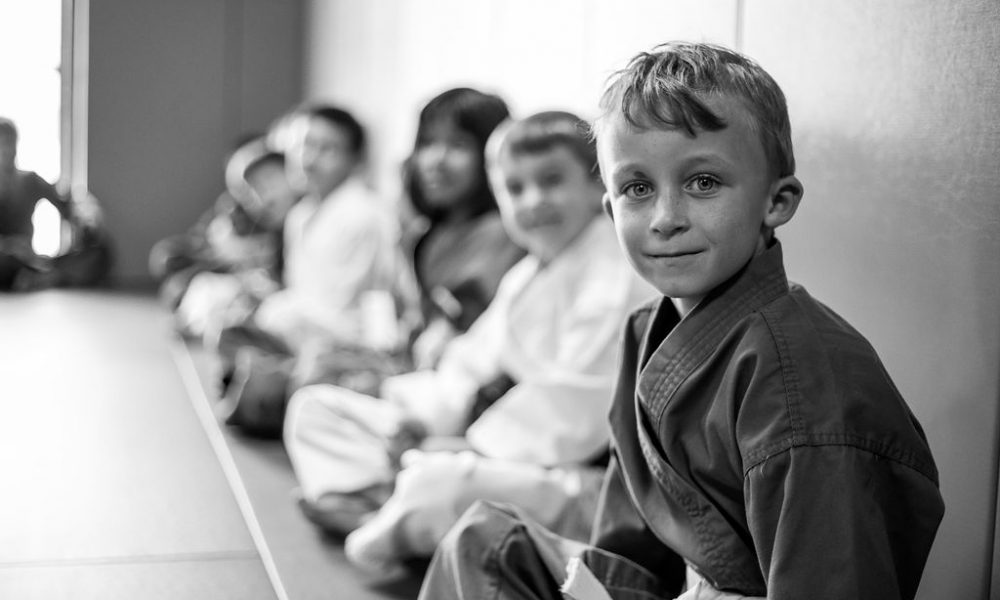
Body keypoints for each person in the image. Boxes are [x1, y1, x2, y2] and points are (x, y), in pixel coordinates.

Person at [417, 42, 945, 600]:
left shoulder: (808, 382)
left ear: (777, 201)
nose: (666, 220)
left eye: (703, 183)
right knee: (486, 543)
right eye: (637, 189)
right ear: (610, 209)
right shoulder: (647, 329)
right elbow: (631, 549)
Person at [283, 110, 655, 579]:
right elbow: (467, 366)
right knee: (315, 408)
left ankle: (377, 517)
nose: (534, 200)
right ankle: (399, 513)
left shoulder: (614, 276)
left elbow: (571, 415)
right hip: (482, 446)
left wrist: (466, 448)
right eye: (515, 188)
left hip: (580, 481)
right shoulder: (530, 272)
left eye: (552, 180)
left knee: (440, 483)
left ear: (596, 186)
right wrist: (414, 417)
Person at [214, 104, 409, 437]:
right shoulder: (301, 214)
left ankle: (277, 390)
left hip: (340, 346)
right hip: (300, 338)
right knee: (227, 327)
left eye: (327, 148)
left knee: (291, 379)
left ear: (354, 159)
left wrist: (281, 312)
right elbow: (300, 292)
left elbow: (346, 315)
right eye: (304, 145)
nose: (310, 158)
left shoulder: (363, 214)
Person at [401, 87, 526, 369]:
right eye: (427, 143)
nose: (437, 160)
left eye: (458, 145)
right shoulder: (424, 237)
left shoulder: (510, 235)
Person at [148, 135, 294, 335]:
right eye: (250, 191)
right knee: (168, 258)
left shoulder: (299, 218)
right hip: (221, 261)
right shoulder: (239, 210)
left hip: (269, 293)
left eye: (268, 180)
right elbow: (206, 237)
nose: (262, 196)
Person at [0, 117, 80, 290]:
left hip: (27, 258)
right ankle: (30, 278)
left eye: (10, 142)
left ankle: (37, 278)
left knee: (99, 253)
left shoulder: (30, 180)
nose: (7, 150)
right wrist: (7, 245)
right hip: (4, 257)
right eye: (2, 143)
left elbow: (67, 207)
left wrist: (86, 215)